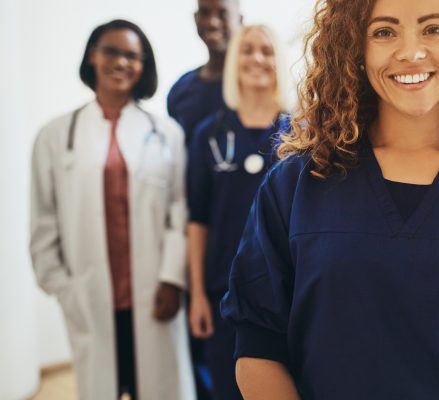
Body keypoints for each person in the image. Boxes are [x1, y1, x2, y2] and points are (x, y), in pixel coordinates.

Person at [220, 0, 439, 398]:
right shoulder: (293, 190)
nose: (411, 52)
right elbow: (259, 347)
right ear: (354, 46)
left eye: (434, 29)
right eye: (384, 32)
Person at [30, 19, 194, 400]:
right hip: (89, 296)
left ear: (144, 66)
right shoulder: (55, 136)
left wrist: (172, 278)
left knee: (158, 387)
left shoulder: (166, 132)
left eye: (133, 55)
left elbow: (179, 209)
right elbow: (43, 220)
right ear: (93, 56)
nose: (122, 62)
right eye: (112, 51)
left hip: (155, 294)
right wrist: (63, 289)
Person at [186, 24, 292, 400]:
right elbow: (197, 219)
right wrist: (196, 294)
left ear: (279, 61)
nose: (257, 59)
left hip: (287, 296)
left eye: (266, 50)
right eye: (247, 50)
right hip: (222, 293)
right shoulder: (209, 134)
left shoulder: (301, 134)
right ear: (234, 61)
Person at [168, 0, 243, 143]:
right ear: (195, 18)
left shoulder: (258, 85)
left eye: (223, 14)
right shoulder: (180, 90)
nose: (212, 23)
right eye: (205, 13)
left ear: (239, 20)